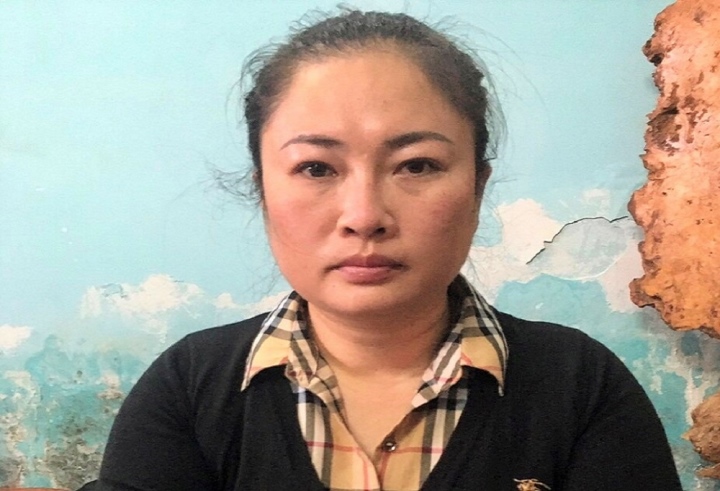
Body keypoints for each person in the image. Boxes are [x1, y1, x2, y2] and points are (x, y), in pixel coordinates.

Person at [90, 9, 682, 491]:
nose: (364, 216)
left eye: (416, 165)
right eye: (316, 168)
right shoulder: (190, 390)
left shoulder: (580, 388)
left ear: (477, 187)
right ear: (262, 189)